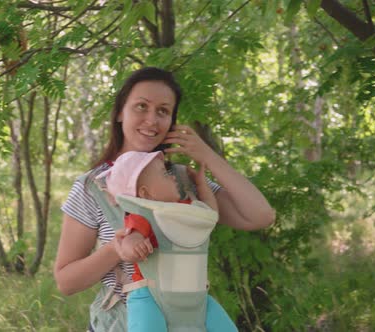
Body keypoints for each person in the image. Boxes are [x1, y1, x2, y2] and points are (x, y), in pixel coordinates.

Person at [54, 67, 275, 331]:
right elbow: (66, 282)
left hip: (187, 320)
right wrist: (116, 248)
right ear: (119, 113)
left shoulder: (183, 181)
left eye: (163, 111)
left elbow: (261, 216)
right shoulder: (90, 188)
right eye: (141, 106)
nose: (151, 120)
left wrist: (208, 156)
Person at [97, 150, 235, 331]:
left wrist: (201, 184)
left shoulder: (184, 210)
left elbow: (209, 214)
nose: (173, 177)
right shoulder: (145, 216)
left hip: (196, 297)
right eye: (165, 174)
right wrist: (135, 246)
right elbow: (130, 240)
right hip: (152, 297)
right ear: (145, 194)